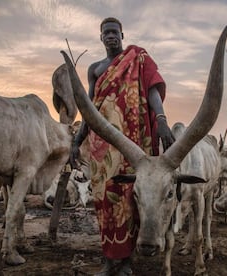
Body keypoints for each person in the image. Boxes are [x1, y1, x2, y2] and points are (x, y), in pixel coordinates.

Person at [70, 17, 175, 275]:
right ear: (100, 37)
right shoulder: (95, 69)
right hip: (101, 148)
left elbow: (151, 89)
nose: (110, 36)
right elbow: (89, 109)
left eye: (114, 32)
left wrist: (161, 120)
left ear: (122, 34)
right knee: (105, 203)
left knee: (130, 201)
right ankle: (109, 260)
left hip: (133, 144)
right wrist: (77, 141)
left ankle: (126, 261)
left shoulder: (137, 58)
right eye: (106, 32)